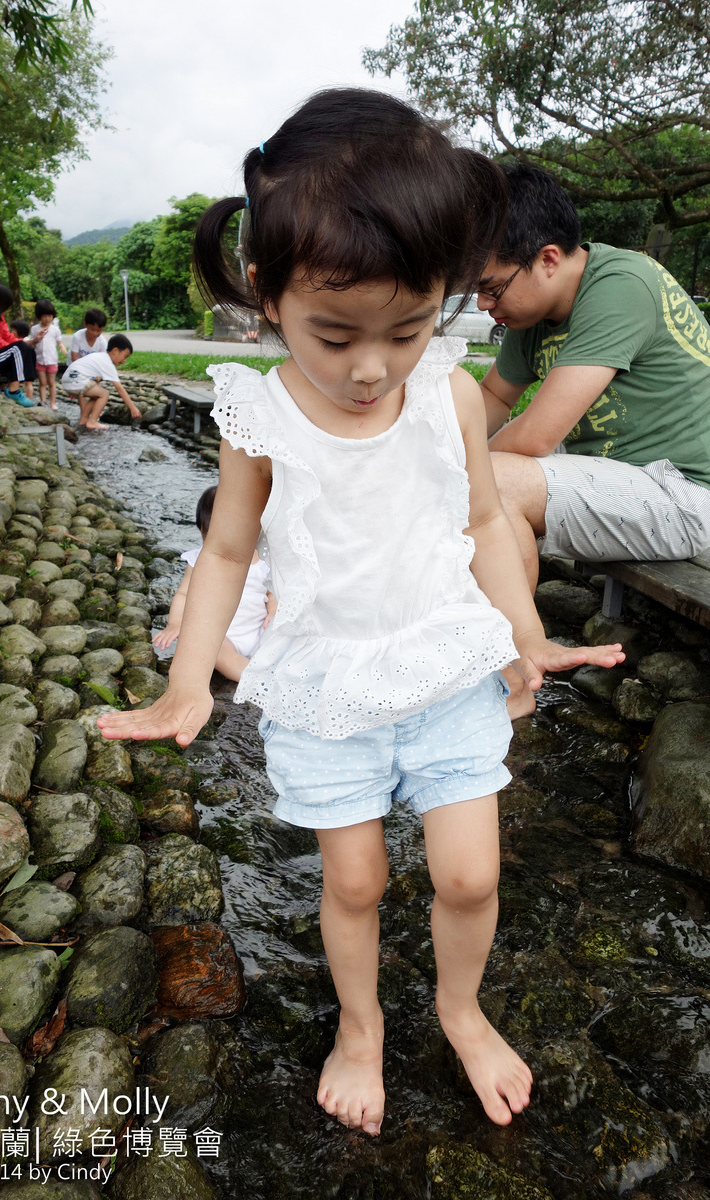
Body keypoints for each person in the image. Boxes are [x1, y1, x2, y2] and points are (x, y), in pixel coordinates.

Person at [97, 88, 624, 1136]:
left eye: (408, 326)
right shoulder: (258, 415)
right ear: (264, 291)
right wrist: (184, 678)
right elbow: (227, 550)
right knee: (356, 879)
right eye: (332, 333)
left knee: (470, 875)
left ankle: (459, 1008)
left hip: (440, 665)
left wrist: (525, 633)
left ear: (442, 302)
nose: (370, 366)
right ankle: (359, 1027)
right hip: (328, 679)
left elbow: (480, 520)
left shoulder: (446, 390)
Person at [478, 165, 710, 591]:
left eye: (492, 287)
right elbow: (493, 396)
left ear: (548, 259)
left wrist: (454, 469)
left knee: (492, 478)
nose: (480, 303)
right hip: (614, 472)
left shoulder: (621, 285)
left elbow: (535, 439)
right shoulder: (532, 312)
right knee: (473, 474)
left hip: (682, 493)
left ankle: (516, 649)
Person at [153, 486, 277, 681]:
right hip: (221, 636)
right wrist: (175, 623)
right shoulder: (199, 561)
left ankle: (278, 672)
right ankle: (259, 680)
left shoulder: (263, 560)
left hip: (258, 630)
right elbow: (184, 595)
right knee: (210, 651)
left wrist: (273, 611)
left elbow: (271, 594)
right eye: (209, 540)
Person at [59, 333, 141, 430]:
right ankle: (92, 421)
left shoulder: (100, 357)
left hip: (68, 380)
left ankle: (84, 420)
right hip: (76, 381)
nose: (124, 360)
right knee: (104, 394)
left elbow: (94, 379)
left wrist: (72, 388)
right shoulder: (107, 363)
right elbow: (120, 389)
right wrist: (132, 407)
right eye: (125, 356)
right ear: (115, 351)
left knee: (96, 395)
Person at [30, 299, 67, 408]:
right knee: (42, 383)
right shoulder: (34, 329)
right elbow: (33, 344)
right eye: (44, 316)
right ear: (39, 316)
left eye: (50, 316)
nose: (47, 319)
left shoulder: (55, 329)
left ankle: (52, 403)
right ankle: (43, 402)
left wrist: (63, 349)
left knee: (51, 383)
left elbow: (59, 343)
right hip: (39, 360)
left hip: (52, 360)